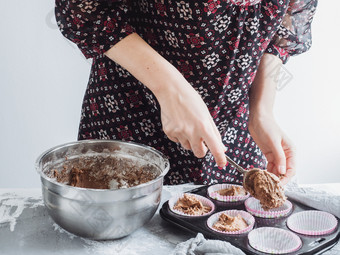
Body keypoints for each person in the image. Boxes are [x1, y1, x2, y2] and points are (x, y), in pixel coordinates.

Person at [55, 0, 317, 185]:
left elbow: (283, 31)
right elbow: (85, 11)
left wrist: (262, 111)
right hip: (131, 113)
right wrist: (170, 90)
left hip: (237, 135)